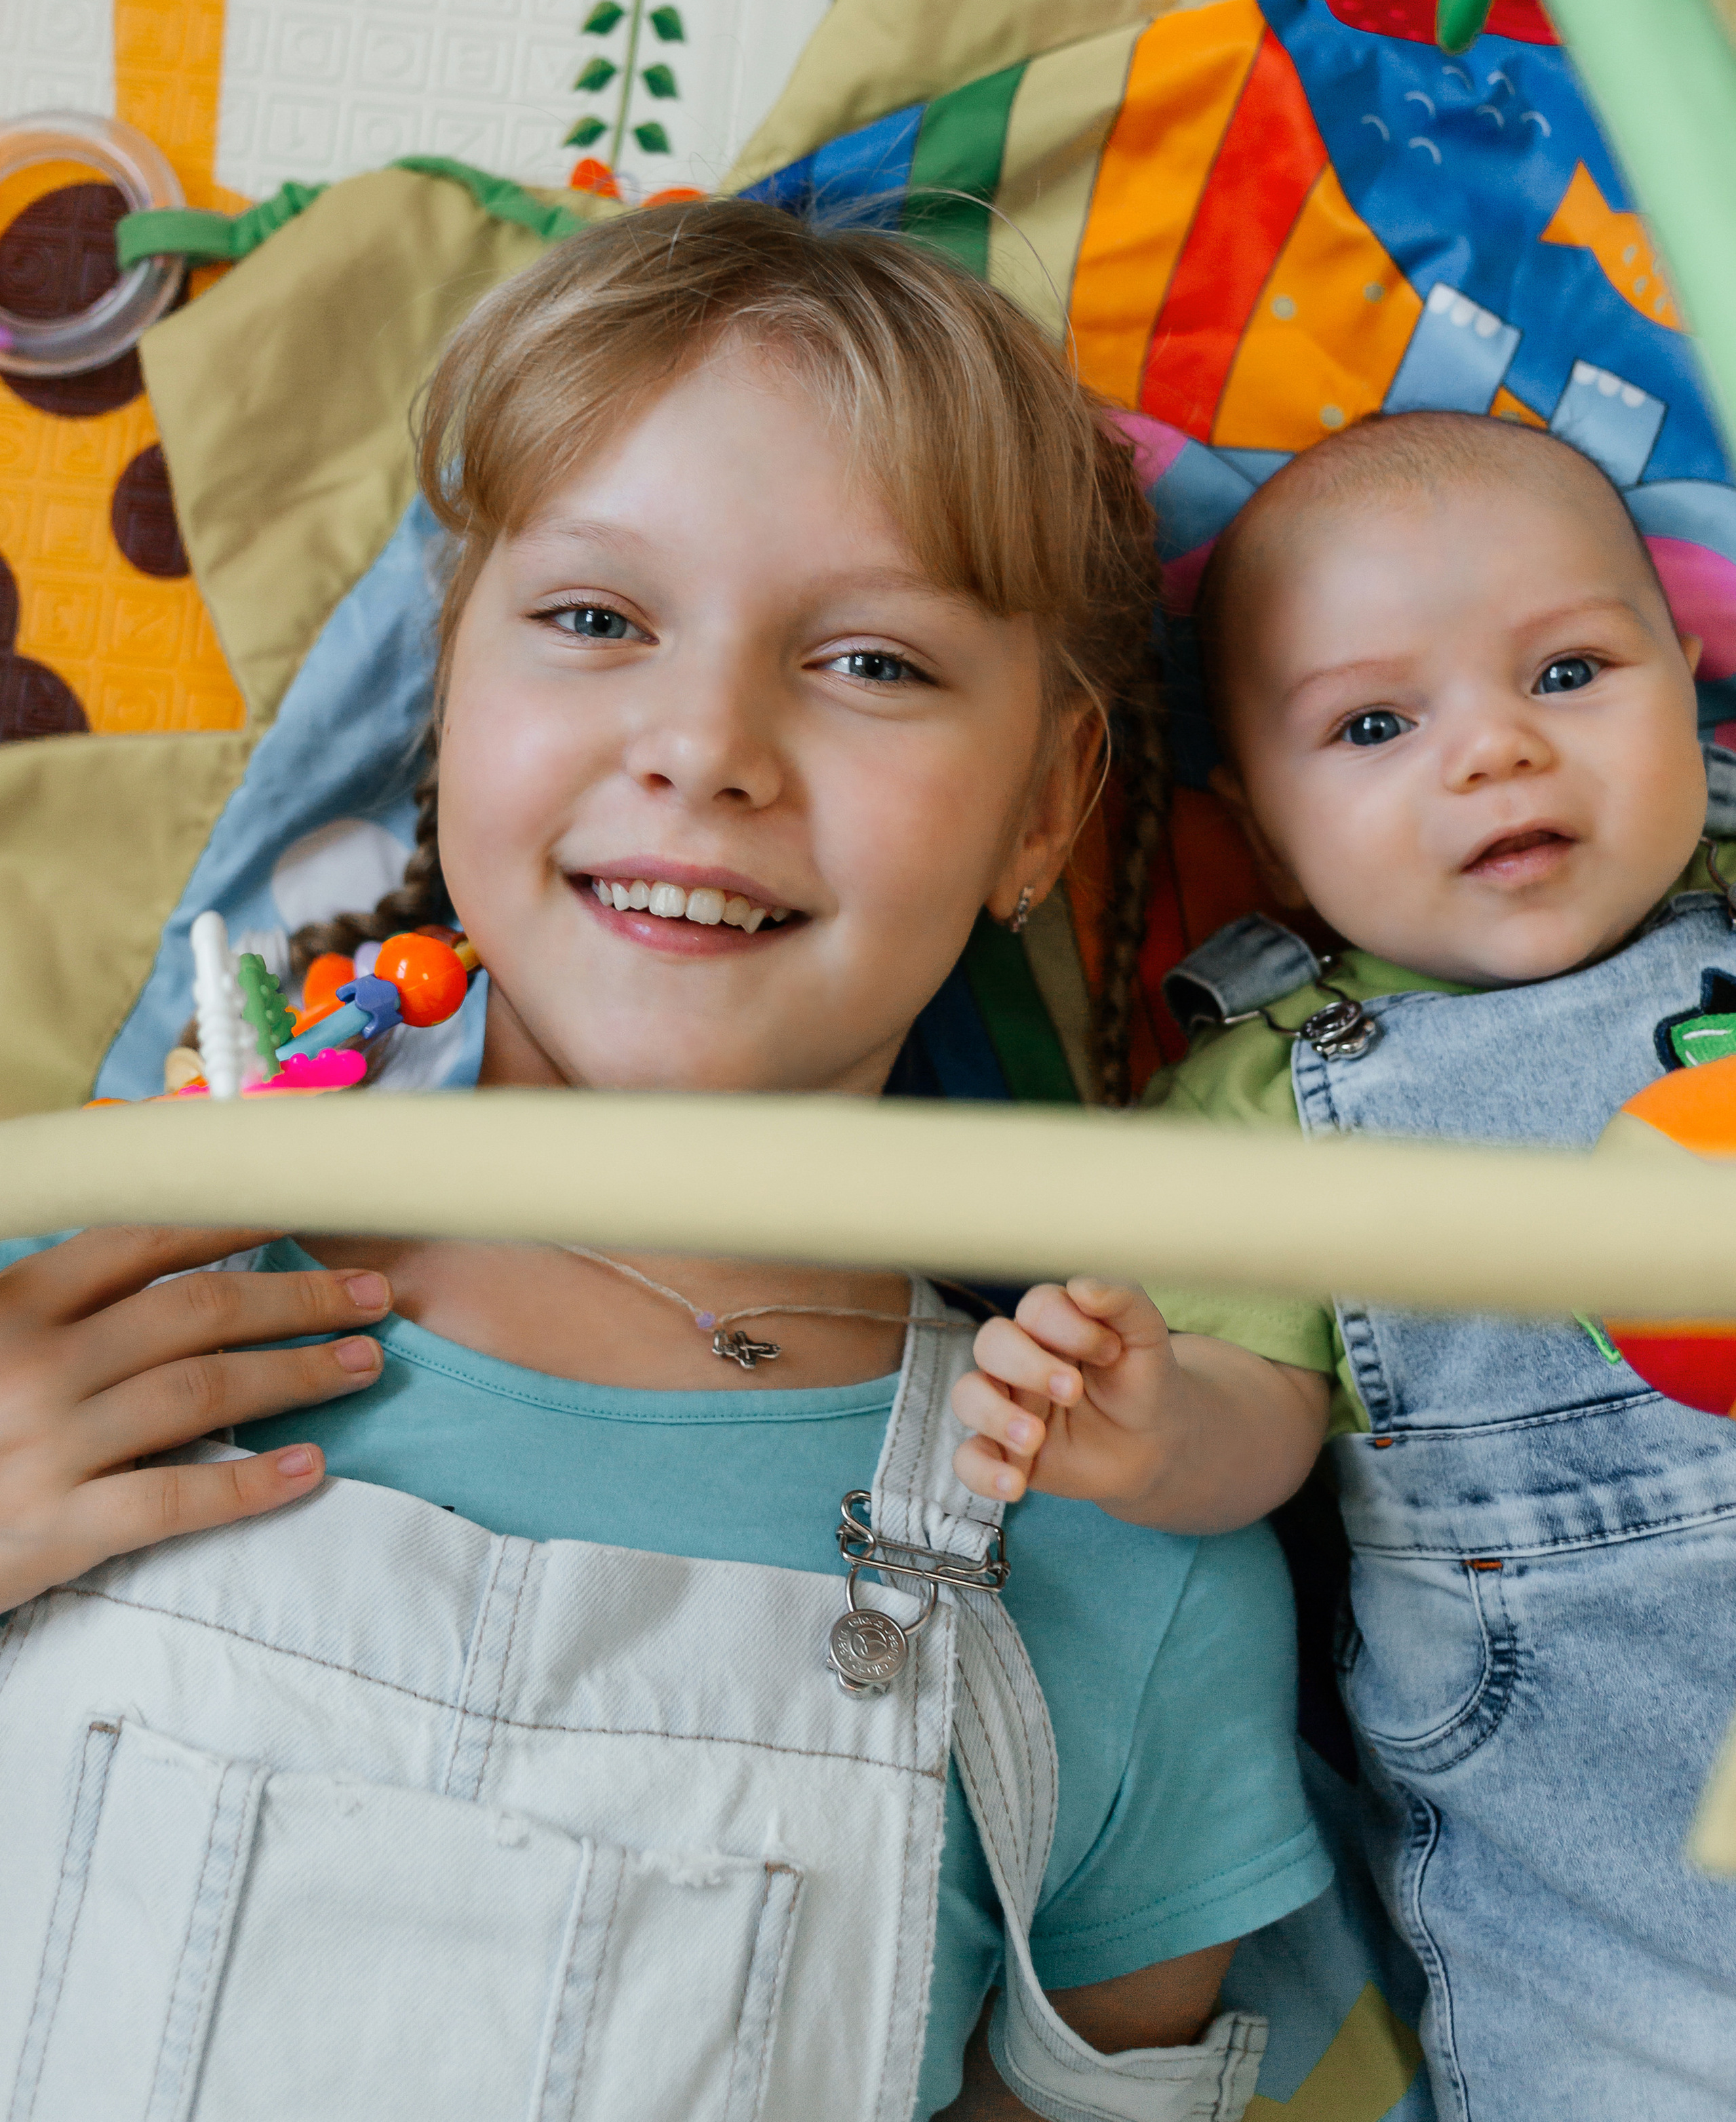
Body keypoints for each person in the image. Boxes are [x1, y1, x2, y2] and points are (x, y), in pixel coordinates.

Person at [0, 202, 1330, 2122]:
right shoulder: (85, 1282)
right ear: (448, 689)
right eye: (597, 621)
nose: (706, 746)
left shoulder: (1115, 1553)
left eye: (869, 662)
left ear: (1044, 811)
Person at [951, 409, 1736, 2119]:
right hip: (1602, 1814)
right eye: (1375, 722)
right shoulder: (1262, 1098)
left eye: (1569, 674)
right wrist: (1154, 1433)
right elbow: (1262, 1420)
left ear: (1689, 682)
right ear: (1261, 818)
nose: (1491, 756)